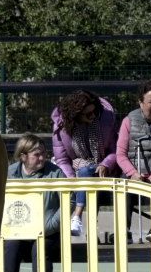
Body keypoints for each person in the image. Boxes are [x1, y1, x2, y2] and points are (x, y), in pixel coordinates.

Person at [0, 133, 62, 272]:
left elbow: (68, 201)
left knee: (40, 248)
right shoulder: (9, 173)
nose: (42, 158)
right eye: (36, 154)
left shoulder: (55, 172)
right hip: (17, 229)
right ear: (23, 156)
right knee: (10, 247)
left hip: (45, 231)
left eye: (43, 153)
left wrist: (50, 225)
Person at [51, 89, 119, 236]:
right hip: (75, 170)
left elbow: (115, 150)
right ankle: (59, 229)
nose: (93, 116)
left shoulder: (105, 120)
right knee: (83, 172)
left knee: (86, 171)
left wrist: (105, 164)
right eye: (88, 114)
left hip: (104, 169)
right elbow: (62, 159)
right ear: (75, 115)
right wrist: (70, 177)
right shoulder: (62, 128)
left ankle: (77, 216)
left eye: (94, 112)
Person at [115, 80, 151, 242]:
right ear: (141, 102)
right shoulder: (128, 121)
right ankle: (124, 230)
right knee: (123, 187)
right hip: (133, 169)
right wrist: (133, 173)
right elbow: (120, 154)